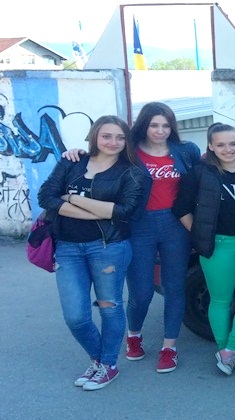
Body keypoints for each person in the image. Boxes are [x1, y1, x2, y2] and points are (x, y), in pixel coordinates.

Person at [62, 103, 201, 373]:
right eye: (154, 125)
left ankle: (169, 347)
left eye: (166, 125)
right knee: (141, 291)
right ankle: (134, 334)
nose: (160, 131)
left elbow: (205, 175)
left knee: (174, 288)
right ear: (143, 125)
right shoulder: (129, 151)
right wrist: (75, 153)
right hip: (138, 225)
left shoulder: (186, 151)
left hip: (175, 225)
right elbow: (99, 157)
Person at [38, 116, 146, 390]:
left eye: (120, 137)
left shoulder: (131, 172)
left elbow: (124, 212)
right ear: (95, 136)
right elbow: (46, 197)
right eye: (107, 136)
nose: (113, 142)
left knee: (110, 307)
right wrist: (96, 212)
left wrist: (72, 198)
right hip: (67, 248)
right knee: (75, 316)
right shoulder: (72, 162)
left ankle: (108, 364)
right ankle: (100, 359)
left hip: (109, 247)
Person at [172, 123, 235, 375]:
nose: (228, 149)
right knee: (221, 299)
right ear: (211, 147)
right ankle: (227, 350)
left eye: (233, 143)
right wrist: (200, 235)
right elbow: (181, 208)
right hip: (218, 245)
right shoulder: (199, 173)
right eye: (221, 144)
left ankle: (230, 350)